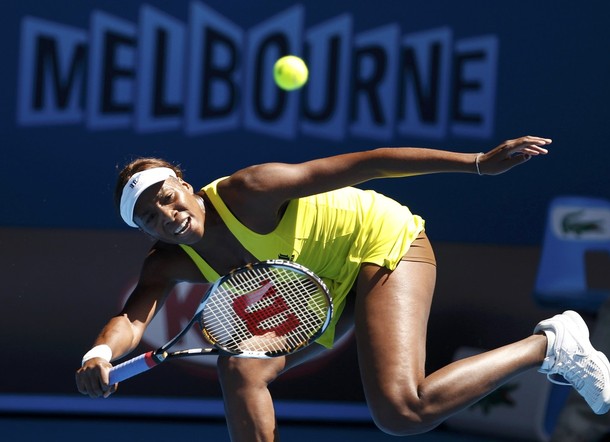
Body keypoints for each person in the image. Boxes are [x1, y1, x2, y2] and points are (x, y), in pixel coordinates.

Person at [75, 135, 610, 442]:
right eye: (149, 218)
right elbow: (132, 319)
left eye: (167, 198)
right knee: (240, 369)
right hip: (323, 287)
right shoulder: (168, 261)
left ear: (185, 186)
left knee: (404, 409)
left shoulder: (251, 190)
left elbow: (367, 164)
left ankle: (550, 345)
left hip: (380, 242)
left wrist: (476, 163)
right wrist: (99, 354)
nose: (167, 216)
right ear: (144, 230)